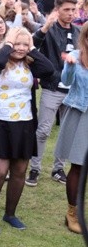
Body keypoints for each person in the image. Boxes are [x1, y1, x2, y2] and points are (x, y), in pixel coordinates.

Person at [0, 27, 54, 234]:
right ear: (9, 43)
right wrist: (9, 44)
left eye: (24, 44)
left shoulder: (31, 64)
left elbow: (49, 70)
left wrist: (32, 49)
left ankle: (10, 214)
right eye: (16, 44)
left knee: (19, 172)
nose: (20, 48)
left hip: (25, 123)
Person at [26, 0, 81, 186]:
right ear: (57, 10)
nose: (71, 13)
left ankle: (59, 168)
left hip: (73, 91)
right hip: (51, 87)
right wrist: (45, 26)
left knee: (68, 132)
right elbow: (33, 44)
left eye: (73, 9)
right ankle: (35, 168)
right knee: (43, 130)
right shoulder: (48, 30)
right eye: (66, 9)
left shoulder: (79, 32)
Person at [54, 22, 88, 233]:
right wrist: (70, 64)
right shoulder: (75, 55)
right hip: (80, 114)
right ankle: (72, 213)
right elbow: (65, 80)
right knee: (78, 166)